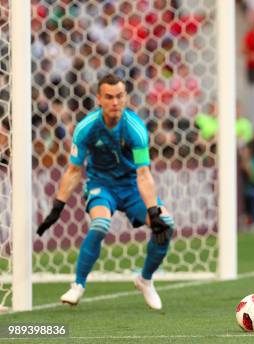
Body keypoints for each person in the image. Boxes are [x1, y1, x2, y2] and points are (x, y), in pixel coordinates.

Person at [36, 74, 174, 310]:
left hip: (131, 187)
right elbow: (73, 170)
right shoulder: (86, 128)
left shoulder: (136, 129)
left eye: (119, 96)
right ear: (99, 99)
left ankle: (145, 280)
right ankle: (77, 285)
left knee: (167, 224)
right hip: (102, 186)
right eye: (109, 97)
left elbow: (143, 173)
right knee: (100, 224)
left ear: (126, 97)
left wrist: (153, 210)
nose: (115, 102)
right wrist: (58, 207)